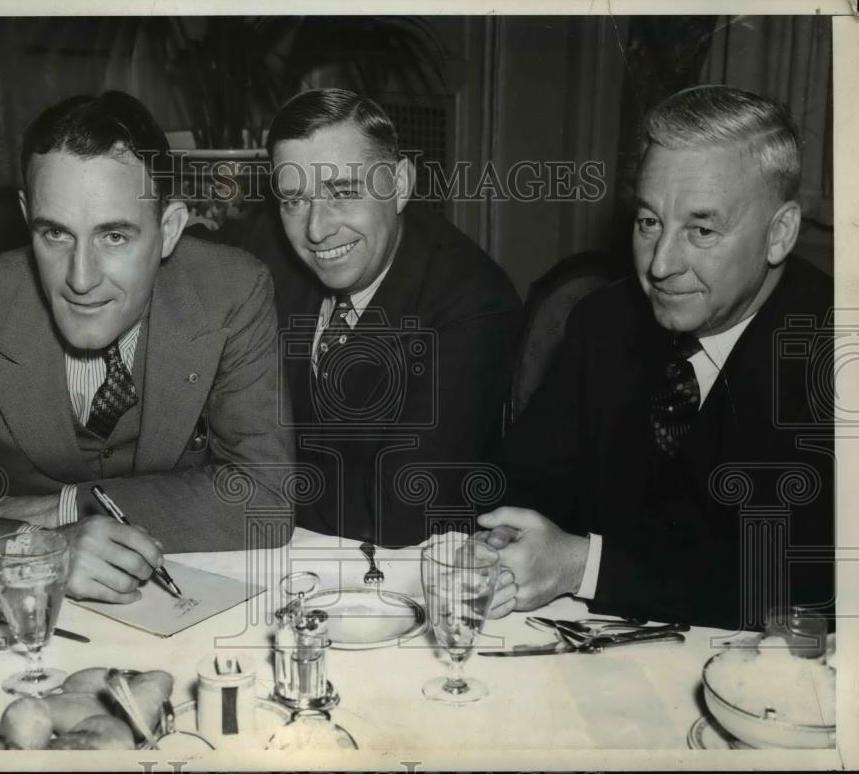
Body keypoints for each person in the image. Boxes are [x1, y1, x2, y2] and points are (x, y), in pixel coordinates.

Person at [0, 91, 294, 603]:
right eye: (55, 234)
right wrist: (36, 550)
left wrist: (68, 506)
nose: (81, 279)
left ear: (169, 231)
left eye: (114, 237)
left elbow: (264, 500)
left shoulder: (232, 291)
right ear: (26, 215)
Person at [478, 85, 834, 630]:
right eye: (649, 222)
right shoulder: (604, 321)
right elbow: (521, 479)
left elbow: (805, 585)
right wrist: (503, 537)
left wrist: (582, 566)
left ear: (779, 232)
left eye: (702, 229)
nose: (662, 264)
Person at [258, 88, 522, 547]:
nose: (317, 230)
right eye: (294, 200)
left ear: (400, 184)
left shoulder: (473, 302)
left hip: (403, 573)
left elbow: (404, 510)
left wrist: (244, 481)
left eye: (343, 191)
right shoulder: (271, 259)